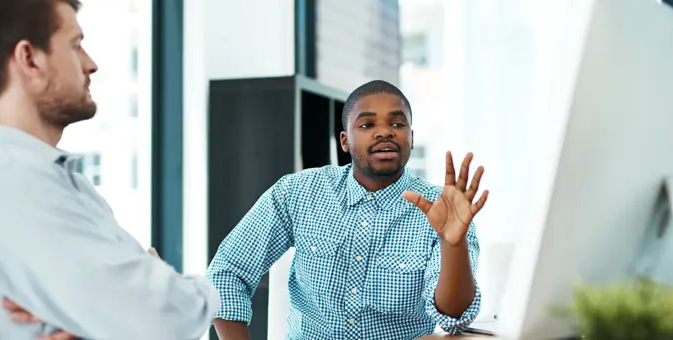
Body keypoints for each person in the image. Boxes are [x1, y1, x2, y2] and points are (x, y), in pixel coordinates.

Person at [0, 0, 219, 339]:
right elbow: (164, 319)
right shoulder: (16, 186)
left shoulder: (57, 182)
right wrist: (196, 291)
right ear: (30, 59)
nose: (91, 64)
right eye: (75, 45)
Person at [208, 80, 489, 339]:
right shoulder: (298, 192)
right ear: (345, 141)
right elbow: (228, 272)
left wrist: (453, 243)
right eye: (367, 125)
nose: (384, 132)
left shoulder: (443, 210)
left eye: (398, 124)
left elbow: (454, 320)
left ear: (411, 138)